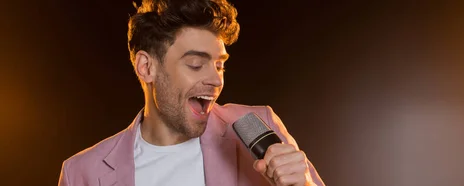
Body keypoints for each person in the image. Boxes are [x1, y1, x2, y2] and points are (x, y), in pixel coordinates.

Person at [57, 0, 324, 185]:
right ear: (146, 67)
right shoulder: (82, 173)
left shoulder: (257, 127)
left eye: (220, 65)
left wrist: (304, 185)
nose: (215, 80)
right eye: (196, 64)